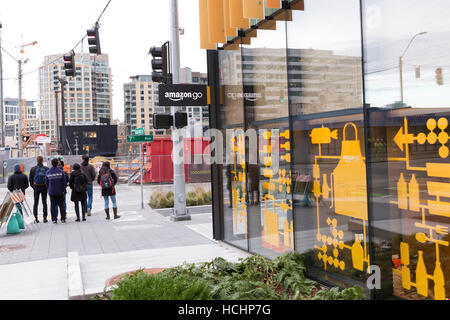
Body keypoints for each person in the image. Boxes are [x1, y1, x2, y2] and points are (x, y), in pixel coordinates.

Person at [45, 158, 67, 224]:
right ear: (57, 163)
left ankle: (54, 219)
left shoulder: (48, 172)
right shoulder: (61, 172)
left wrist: (48, 189)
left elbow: (46, 182)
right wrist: (63, 189)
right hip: (60, 191)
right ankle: (63, 218)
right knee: (61, 205)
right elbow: (64, 182)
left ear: (51, 163)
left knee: (53, 205)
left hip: (52, 191)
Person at [29, 156, 49, 223]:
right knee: (44, 202)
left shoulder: (33, 169)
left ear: (37, 161)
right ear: (42, 160)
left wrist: (33, 186)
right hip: (44, 188)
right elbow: (48, 179)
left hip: (36, 188)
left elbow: (30, 179)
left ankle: (36, 218)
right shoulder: (46, 168)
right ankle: (45, 218)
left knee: (36, 203)